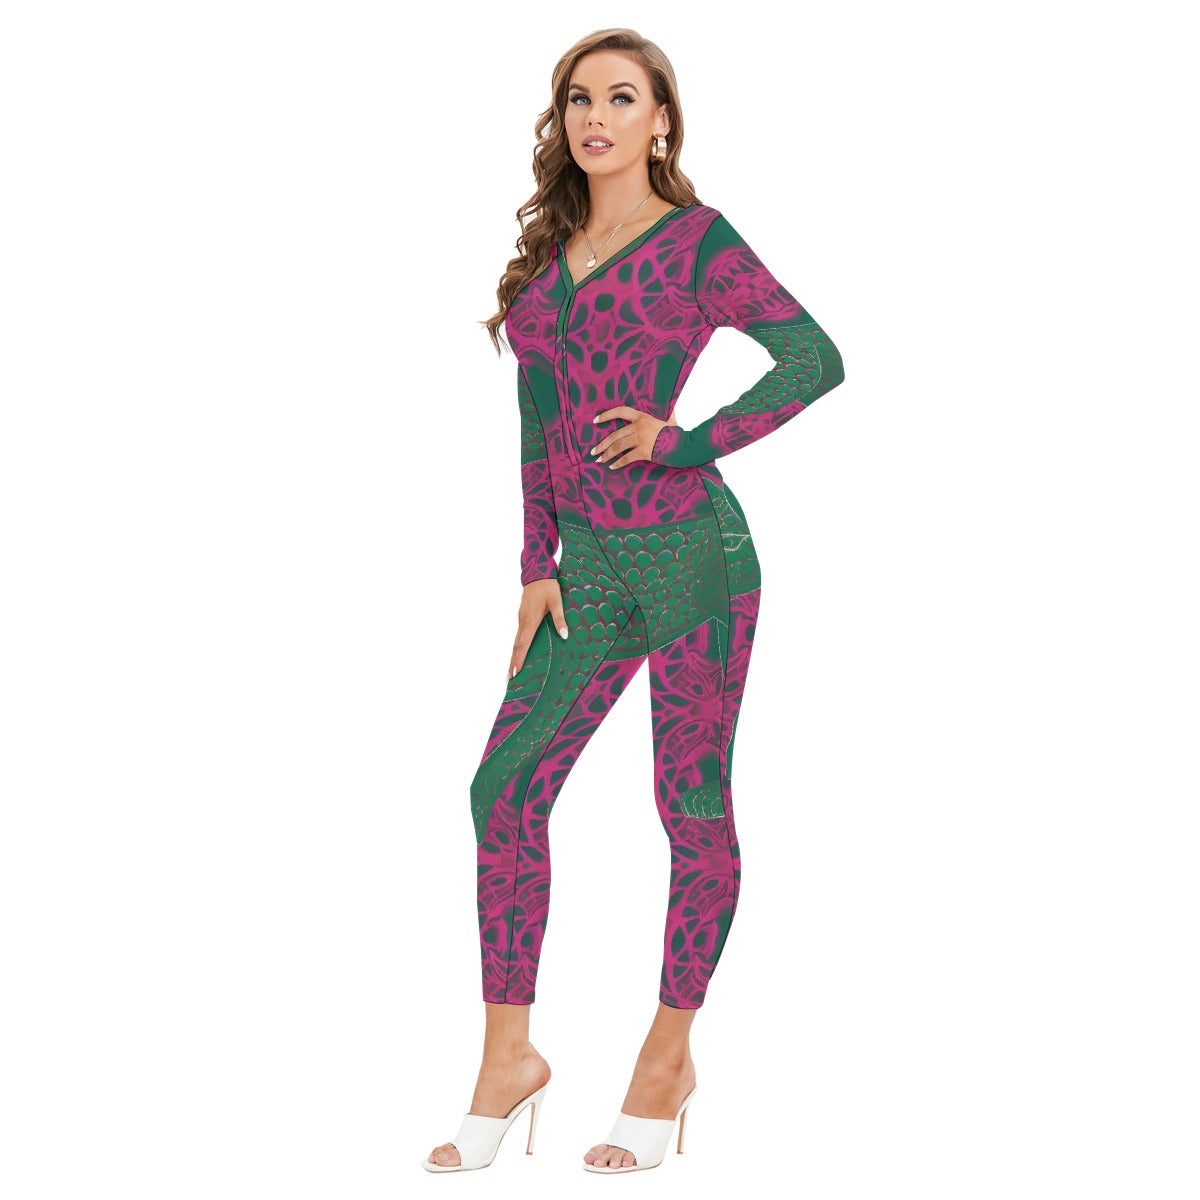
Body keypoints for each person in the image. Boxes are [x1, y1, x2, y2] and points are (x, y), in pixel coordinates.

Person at [423, 27, 845, 1174]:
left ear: (661, 121)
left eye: (621, 98)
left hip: (696, 559)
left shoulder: (699, 243)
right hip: (589, 575)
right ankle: (508, 1060)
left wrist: (686, 440)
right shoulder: (549, 263)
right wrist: (535, 566)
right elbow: (536, 427)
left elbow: (814, 359)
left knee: (689, 805)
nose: (594, 117)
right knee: (502, 790)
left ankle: (667, 1060)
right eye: (577, 99)